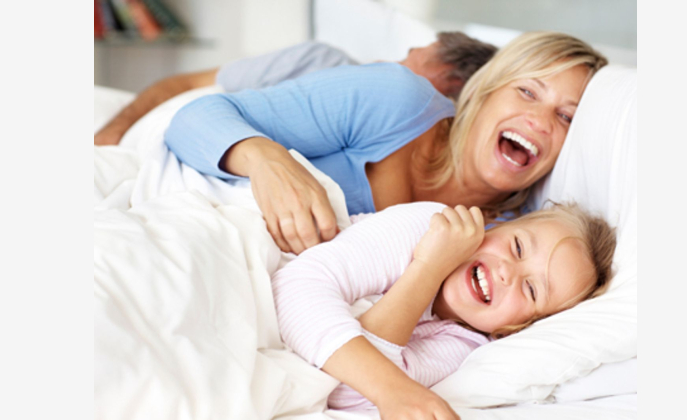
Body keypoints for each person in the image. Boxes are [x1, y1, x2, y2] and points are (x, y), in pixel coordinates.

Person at [162, 32, 608, 255]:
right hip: (186, 226)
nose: (539, 121)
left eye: (566, 116)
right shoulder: (396, 98)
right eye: (527, 91)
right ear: (483, 91)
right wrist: (267, 160)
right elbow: (192, 119)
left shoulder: (510, 238)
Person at [272, 201, 617, 416]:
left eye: (531, 289)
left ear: (517, 328)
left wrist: (389, 388)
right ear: (493, 226)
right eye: (517, 247)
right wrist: (429, 266)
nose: (506, 272)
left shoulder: (465, 347)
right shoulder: (431, 226)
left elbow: (347, 390)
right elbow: (294, 287)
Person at [93, 32, 498, 146]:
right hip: (159, 132)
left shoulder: (409, 147)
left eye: (410, 66)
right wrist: (113, 134)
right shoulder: (320, 60)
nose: (390, 68)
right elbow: (181, 84)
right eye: (405, 57)